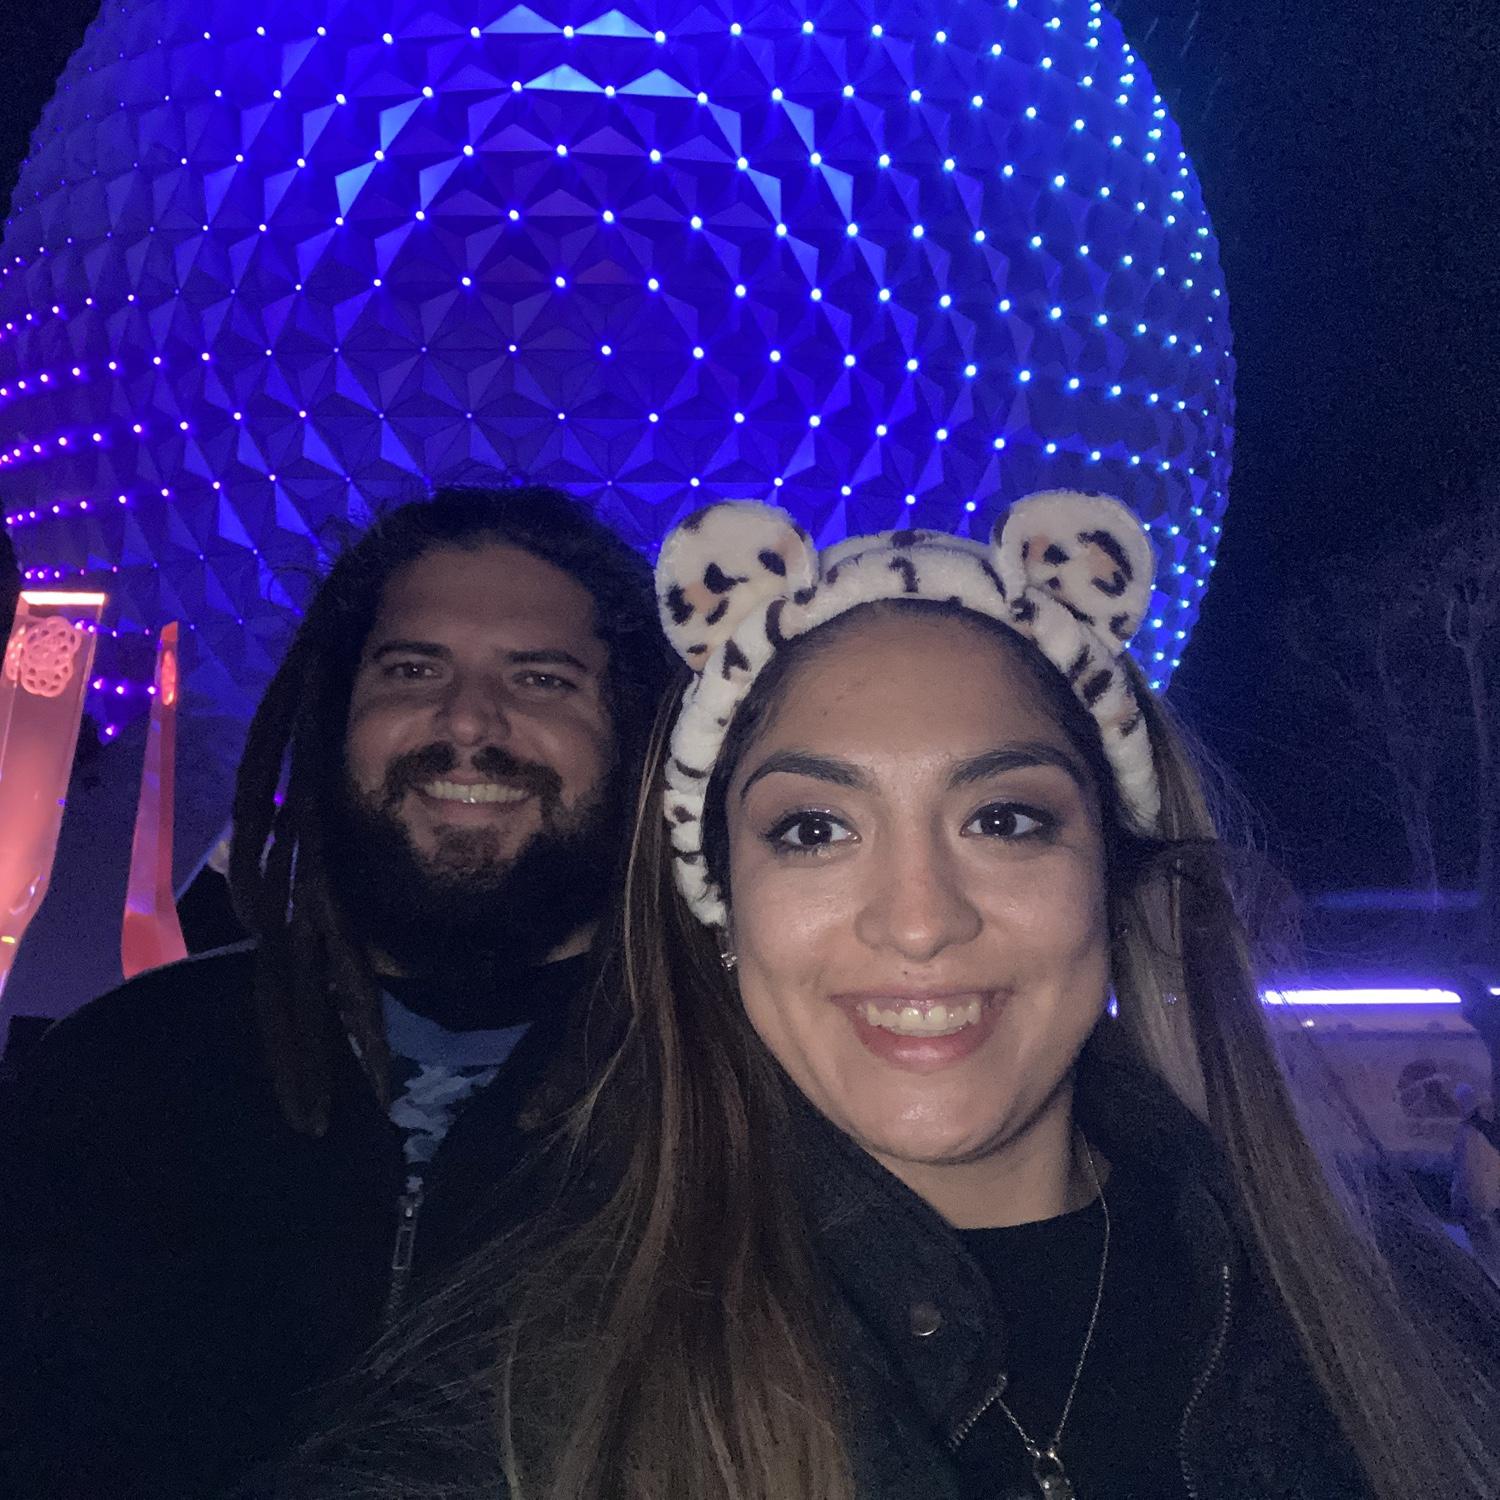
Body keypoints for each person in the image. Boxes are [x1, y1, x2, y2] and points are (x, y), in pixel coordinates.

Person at [271, 489, 1500, 1500]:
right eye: (812, 829)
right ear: (723, 909)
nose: (918, 919)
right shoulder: (532, 1392)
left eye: (1005, 818)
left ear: (1115, 876)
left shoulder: (1411, 1322)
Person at [0, 484, 672, 1499]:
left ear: (633, 738)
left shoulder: (722, 1099)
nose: (468, 720)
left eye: (542, 678)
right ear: (332, 721)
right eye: (413, 669)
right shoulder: (122, 1075)